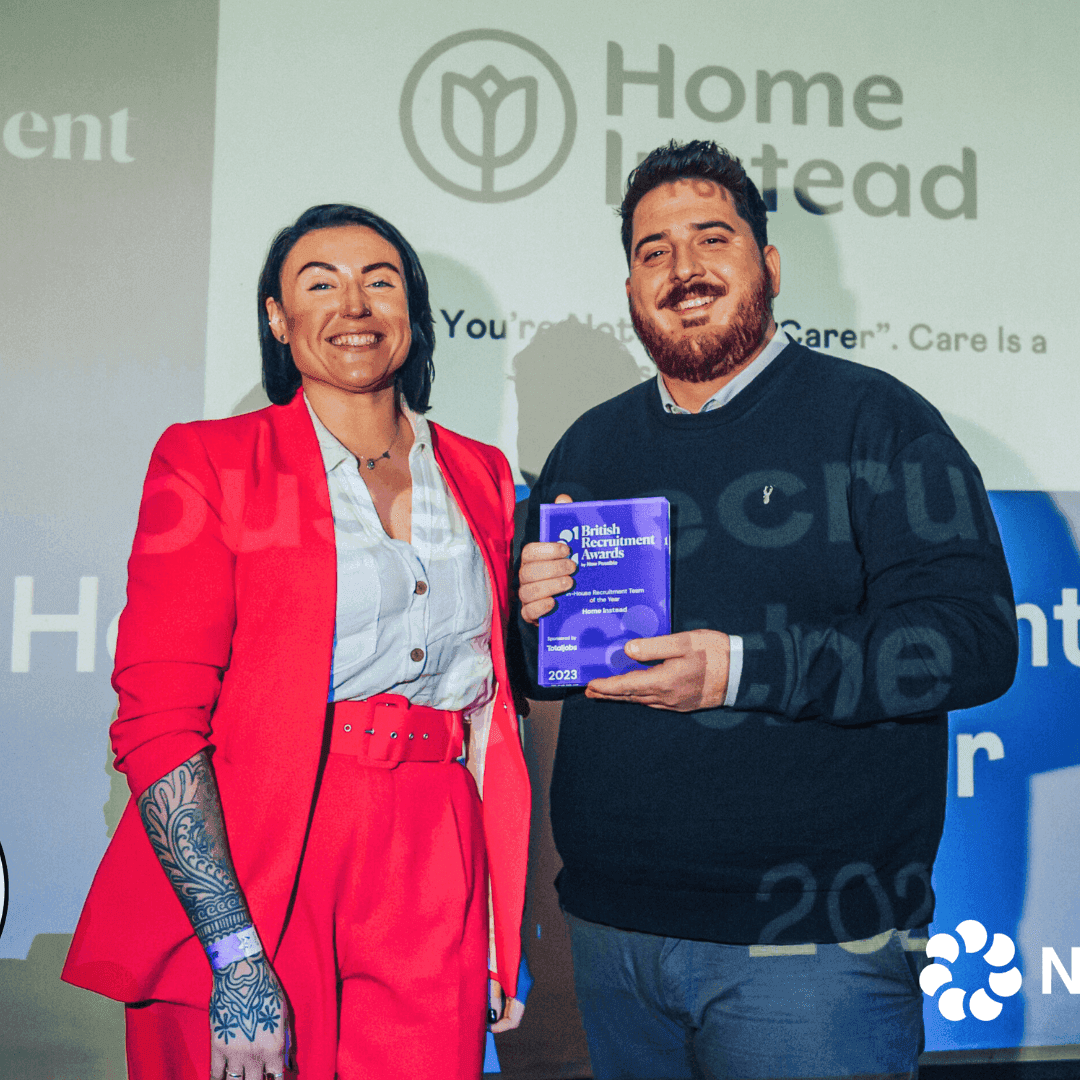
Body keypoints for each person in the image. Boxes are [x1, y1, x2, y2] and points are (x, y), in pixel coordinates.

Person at [515, 142, 1018, 1080]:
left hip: (813, 949)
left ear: (771, 265)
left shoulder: (879, 421)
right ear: (629, 282)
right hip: (611, 935)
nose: (684, 268)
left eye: (713, 238)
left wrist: (743, 667)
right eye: (653, 249)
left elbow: (976, 643)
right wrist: (525, 616)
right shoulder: (590, 443)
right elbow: (544, 666)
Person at [63, 204, 530, 1080]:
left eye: (379, 281)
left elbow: (493, 698)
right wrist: (234, 952)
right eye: (320, 283)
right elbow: (159, 718)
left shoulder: (483, 474)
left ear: (412, 314)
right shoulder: (208, 462)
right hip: (267, 840)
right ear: (278, 319)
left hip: (436, 845)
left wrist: (501, 907)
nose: (353, 305)